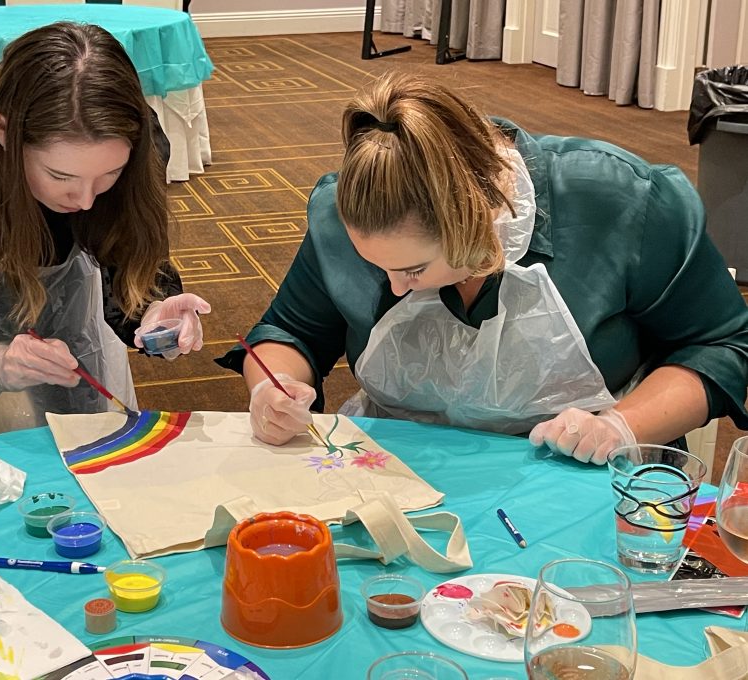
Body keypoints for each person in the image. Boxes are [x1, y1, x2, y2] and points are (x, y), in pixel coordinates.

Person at [218, 72, 748, 465]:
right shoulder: (348, 214)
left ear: (480, 216)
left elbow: (724, 346)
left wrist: (621, 426)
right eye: (378, 267)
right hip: (401, 470)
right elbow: (292, 330)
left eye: (414, 269)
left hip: (579, 471)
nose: (396, 286)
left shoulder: (620, 201)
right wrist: (273, 386)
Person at [0, 23, 210, 439]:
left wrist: (153, 310)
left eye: (109, 175)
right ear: (4, 134)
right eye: (60, 175)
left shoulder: (136, 140)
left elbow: (126, 253)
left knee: (87, 447)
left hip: (68, 304)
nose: (84, 201)